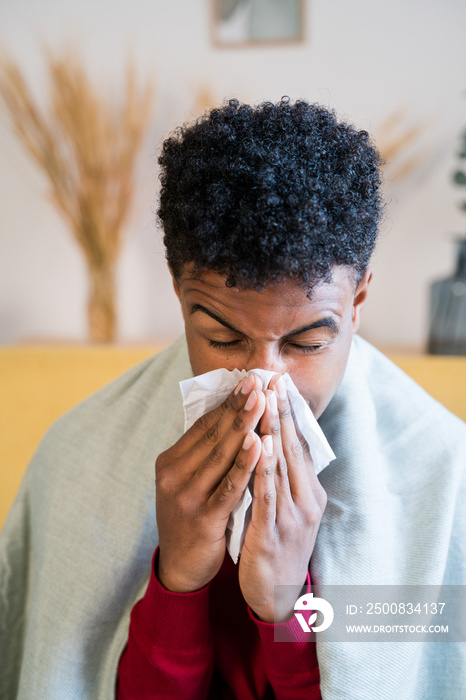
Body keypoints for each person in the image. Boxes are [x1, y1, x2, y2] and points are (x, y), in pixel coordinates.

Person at [1, 98, 465, 700]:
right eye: (223, 337)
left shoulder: (442, 476)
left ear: (358, 300)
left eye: (307, 341)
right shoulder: (80, 456)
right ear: (178, 291)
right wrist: (179, 579)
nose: (263, 381)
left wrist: (286, 605)